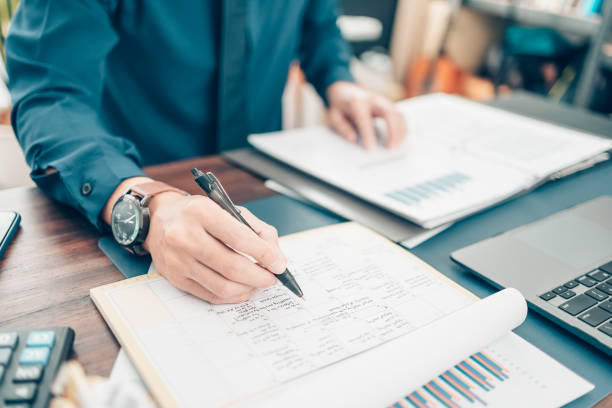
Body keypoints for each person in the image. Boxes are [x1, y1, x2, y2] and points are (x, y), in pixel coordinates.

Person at [7, 0, 406, 304]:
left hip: (269, 184)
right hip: (134, 191)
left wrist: (338, 80)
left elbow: (317, 19)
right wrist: (145, 209)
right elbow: (49, 91)